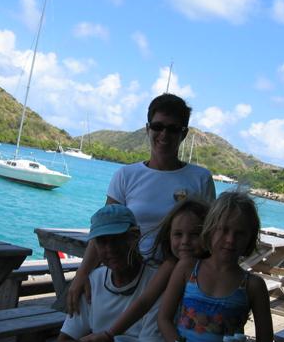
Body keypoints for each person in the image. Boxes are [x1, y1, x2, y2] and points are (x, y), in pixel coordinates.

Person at [68, 93, 216, 314]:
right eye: (158, 126)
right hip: (129, 275)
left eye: (173, 129)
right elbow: (104, 230)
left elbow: (210, 236)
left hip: (180, 279)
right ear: (148, 129)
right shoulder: (126, 175)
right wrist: (82, 274)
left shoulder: (200, 179)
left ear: (184, 134)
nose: (164, 134)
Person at [158, 191, 273, 342]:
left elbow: (265, 341)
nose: (230, 239)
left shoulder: (253, 286)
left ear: (250, 238)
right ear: (210, 230)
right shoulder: (187, 268)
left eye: (240, 233)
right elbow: (164, 319)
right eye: (224, 230)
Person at [79, 197, 210, 342]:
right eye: (178, 234)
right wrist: (109, 334)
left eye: (195, 234)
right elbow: (144, 303)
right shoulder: (170, 266)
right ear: (169, 235)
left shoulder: (213, 268)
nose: (185, 241)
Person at [56, 204, 167, 342]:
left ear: (135, 236)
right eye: (102, 241)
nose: (110, 249)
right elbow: (63, 341)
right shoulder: (92, 282)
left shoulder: (157, 284)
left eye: (117, 239)